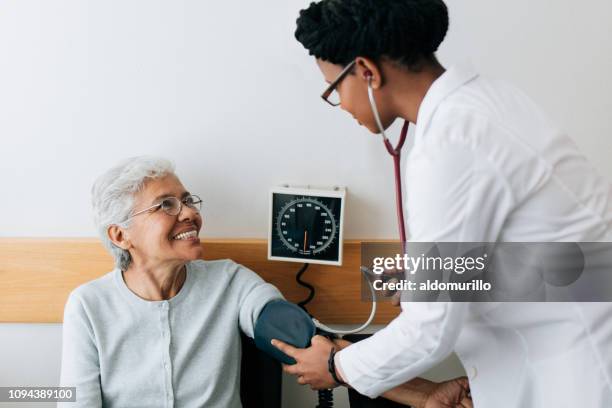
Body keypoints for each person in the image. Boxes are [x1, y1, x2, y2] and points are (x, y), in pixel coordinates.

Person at [273, 0, 612, 406]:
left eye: (334, 90)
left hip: (577, 375)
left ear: (366, 71)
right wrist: (426, 276)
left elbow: (430, 329)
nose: (342, 105)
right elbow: (563, 258)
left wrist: (335, 367)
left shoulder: (452, 144)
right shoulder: (488, 102)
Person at [58, 156, 284, 407]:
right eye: (166, 205)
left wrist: (324, 352)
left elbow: (275, 315)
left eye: (187, 201)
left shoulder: (229, 281)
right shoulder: (88, 305)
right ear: (121, 235)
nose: (189, 213)